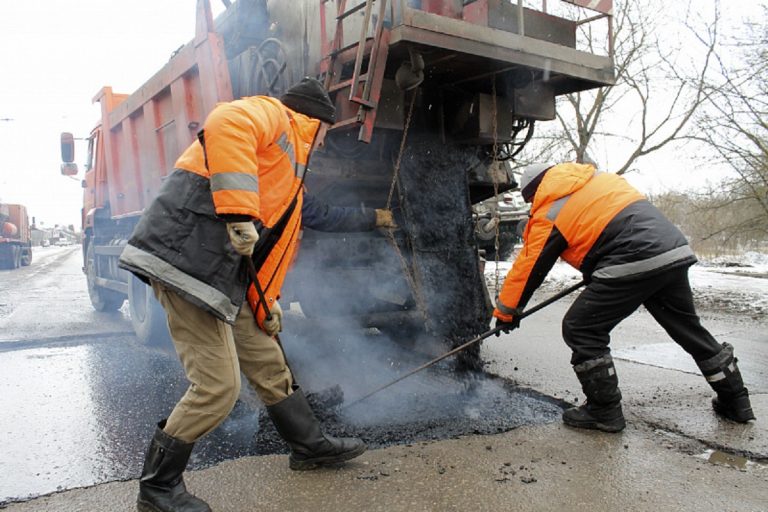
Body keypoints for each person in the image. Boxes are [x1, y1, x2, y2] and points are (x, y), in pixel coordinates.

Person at [119, 77, 396, 512]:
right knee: (217, 389)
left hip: (221, 275)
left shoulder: (288, 177)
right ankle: (157, 488)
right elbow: (226, 120)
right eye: (326, 133)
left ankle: (309, 446)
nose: (324, 143)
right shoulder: (276, 117)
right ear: (317, 123)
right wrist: (237, 210)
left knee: (268, 358)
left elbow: (309, 221)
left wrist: (268, 301)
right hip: (187, 264)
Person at [493, 161, 755, 434]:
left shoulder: (551, 208)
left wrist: (507, 313)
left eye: (530, 199)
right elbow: (607, 226)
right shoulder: (598, 181)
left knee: (581, 327)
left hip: (633, 258)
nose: (533, 205)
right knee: (689, 330)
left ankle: (603, 411)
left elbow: (529, 268)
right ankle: (736, 402)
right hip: (672, 251)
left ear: (535, 191)